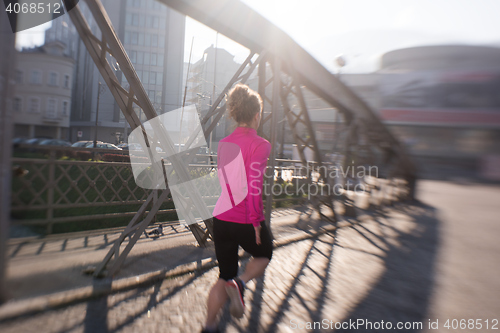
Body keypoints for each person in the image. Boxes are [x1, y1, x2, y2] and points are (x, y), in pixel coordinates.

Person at [201, 84, 273, 333]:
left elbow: (226, 181)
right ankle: (241, 284)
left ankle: (208, 326)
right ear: (256, 115)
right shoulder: (261, 144)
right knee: (264, 253)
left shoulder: (223, 144)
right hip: (245, 218)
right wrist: (256, 222)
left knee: (223, 276)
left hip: (221, 217)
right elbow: (254, 186)